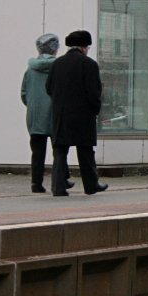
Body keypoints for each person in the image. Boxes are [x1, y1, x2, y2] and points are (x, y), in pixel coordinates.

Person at [46, 30, 107, 196]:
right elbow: (93, 93)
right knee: (85, 151)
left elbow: (48, 88)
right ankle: (91, 184)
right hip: (83, 115)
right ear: (84, 47)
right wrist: (95, 110)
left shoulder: (57, 64)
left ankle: (58, 187)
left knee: (60, 152)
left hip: (61, 115)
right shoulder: (89, 65)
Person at [20, 33, 75, 193]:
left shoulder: (30, 70)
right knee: (59, 149)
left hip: (35, 116)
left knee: (37, 151)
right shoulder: (59, 67)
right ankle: (62, 180)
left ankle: (36, 183)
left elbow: (24, 94)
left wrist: (32, 106)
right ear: (55, 49)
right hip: (55, 114)